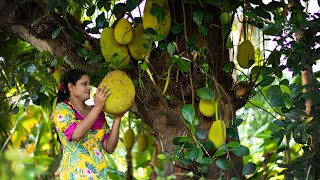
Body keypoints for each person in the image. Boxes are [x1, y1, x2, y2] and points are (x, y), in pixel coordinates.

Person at [53, 69, 123, 179]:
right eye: (84, 84)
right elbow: (76, 134)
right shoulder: (62, 109)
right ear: (71, 87)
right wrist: (98, 106)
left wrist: (117, 118)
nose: (89, 87)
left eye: (89, 84)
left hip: (100, 175)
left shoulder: (96, 113)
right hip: (75, 175)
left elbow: (109, 147)